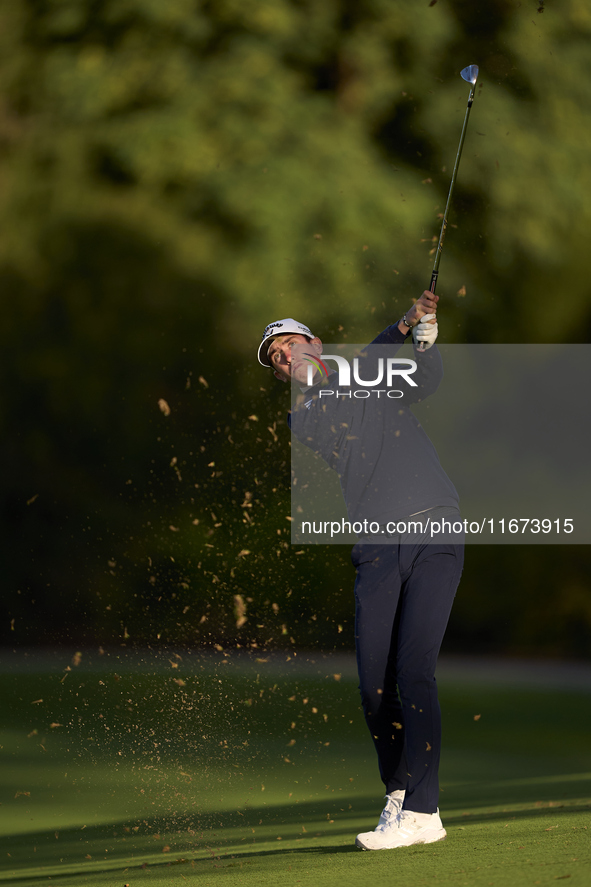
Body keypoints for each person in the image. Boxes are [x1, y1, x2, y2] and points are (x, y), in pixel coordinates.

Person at [257, 292, 464, 850]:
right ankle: (400, 792)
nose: (284, 357)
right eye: (276, 357)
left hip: (436, 531)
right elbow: (362, 367)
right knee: (375, 688)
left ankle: (423, 812)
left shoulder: (375, 379)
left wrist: (423, 339)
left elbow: (423, 382)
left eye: (290, 345)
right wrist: (401, 326)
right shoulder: (307, 414)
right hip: (377, 548)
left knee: (414, 670)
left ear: (314, 343)